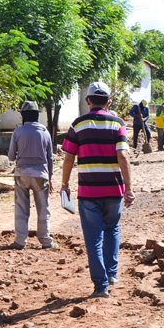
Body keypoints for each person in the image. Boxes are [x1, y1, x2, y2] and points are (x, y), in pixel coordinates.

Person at [59, 81, 135, 299]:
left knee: (93, 238)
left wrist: (65, 184)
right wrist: (128, 188)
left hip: (89, 192)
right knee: (112, 229)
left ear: (88, 100)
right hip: (114, 189)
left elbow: (68, 158)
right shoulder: (118, 123)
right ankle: (112, 274)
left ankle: (100, 286)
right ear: (109, 102)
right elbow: (123, 155)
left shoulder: (78, 124)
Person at [6, 101, 55, 250]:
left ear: (23, 116)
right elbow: (50, 158)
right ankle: (46, 241)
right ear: (37, 116)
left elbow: (11, 157)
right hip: (41, 175)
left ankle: (20, 241)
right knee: (43, 208)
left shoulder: (18, 132)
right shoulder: (45, 133)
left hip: (22, 175)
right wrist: (50, 177)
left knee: (21, 207)